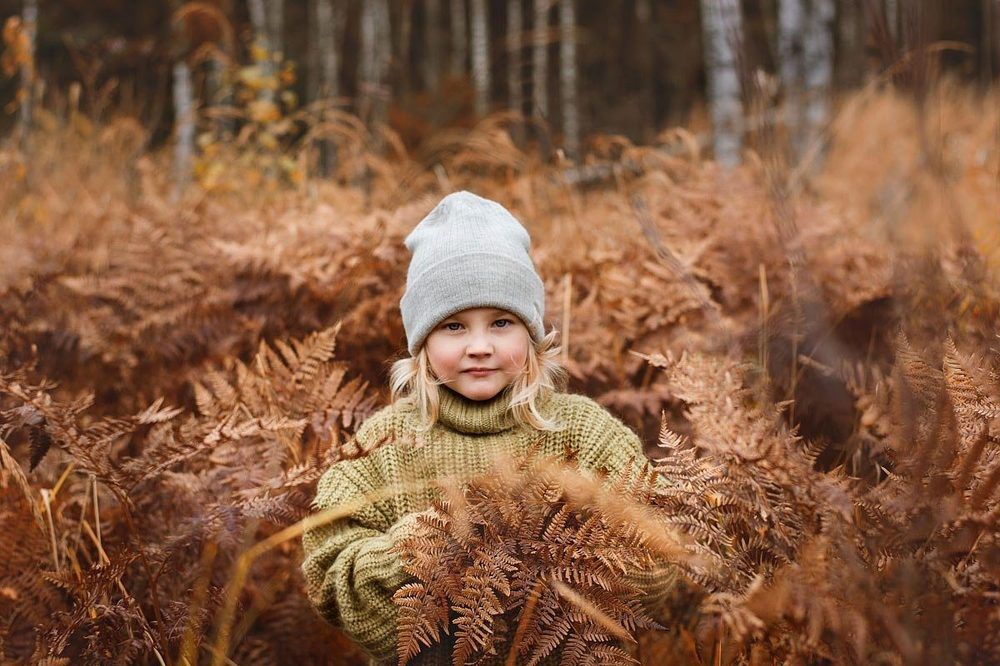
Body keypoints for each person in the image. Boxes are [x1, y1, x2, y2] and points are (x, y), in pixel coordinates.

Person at [301, 191, 671, 665]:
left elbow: (657, 546)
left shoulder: (581, 431)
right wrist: (414, 549)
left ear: (532, 336)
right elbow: (329, 570)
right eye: (454, 326)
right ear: (422, 342)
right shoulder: (385, 444)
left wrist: (577, 571)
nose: (480, 346)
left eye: (500, 322)